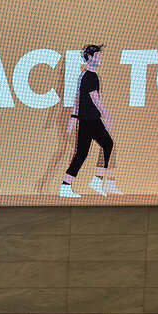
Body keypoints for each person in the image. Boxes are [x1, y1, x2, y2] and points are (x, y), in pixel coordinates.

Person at [60, 44, 121, 198]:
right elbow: (95, 100)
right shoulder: (91, 76)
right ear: (91, 57)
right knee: (107, 144)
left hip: (86, 120)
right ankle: (97, 181)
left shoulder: (85, 75)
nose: (101, 58)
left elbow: (78, 99)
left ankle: (67, 185)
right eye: (98, 55)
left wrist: (74, 118)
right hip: (91, 120)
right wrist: (107, 117)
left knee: (82, 153)